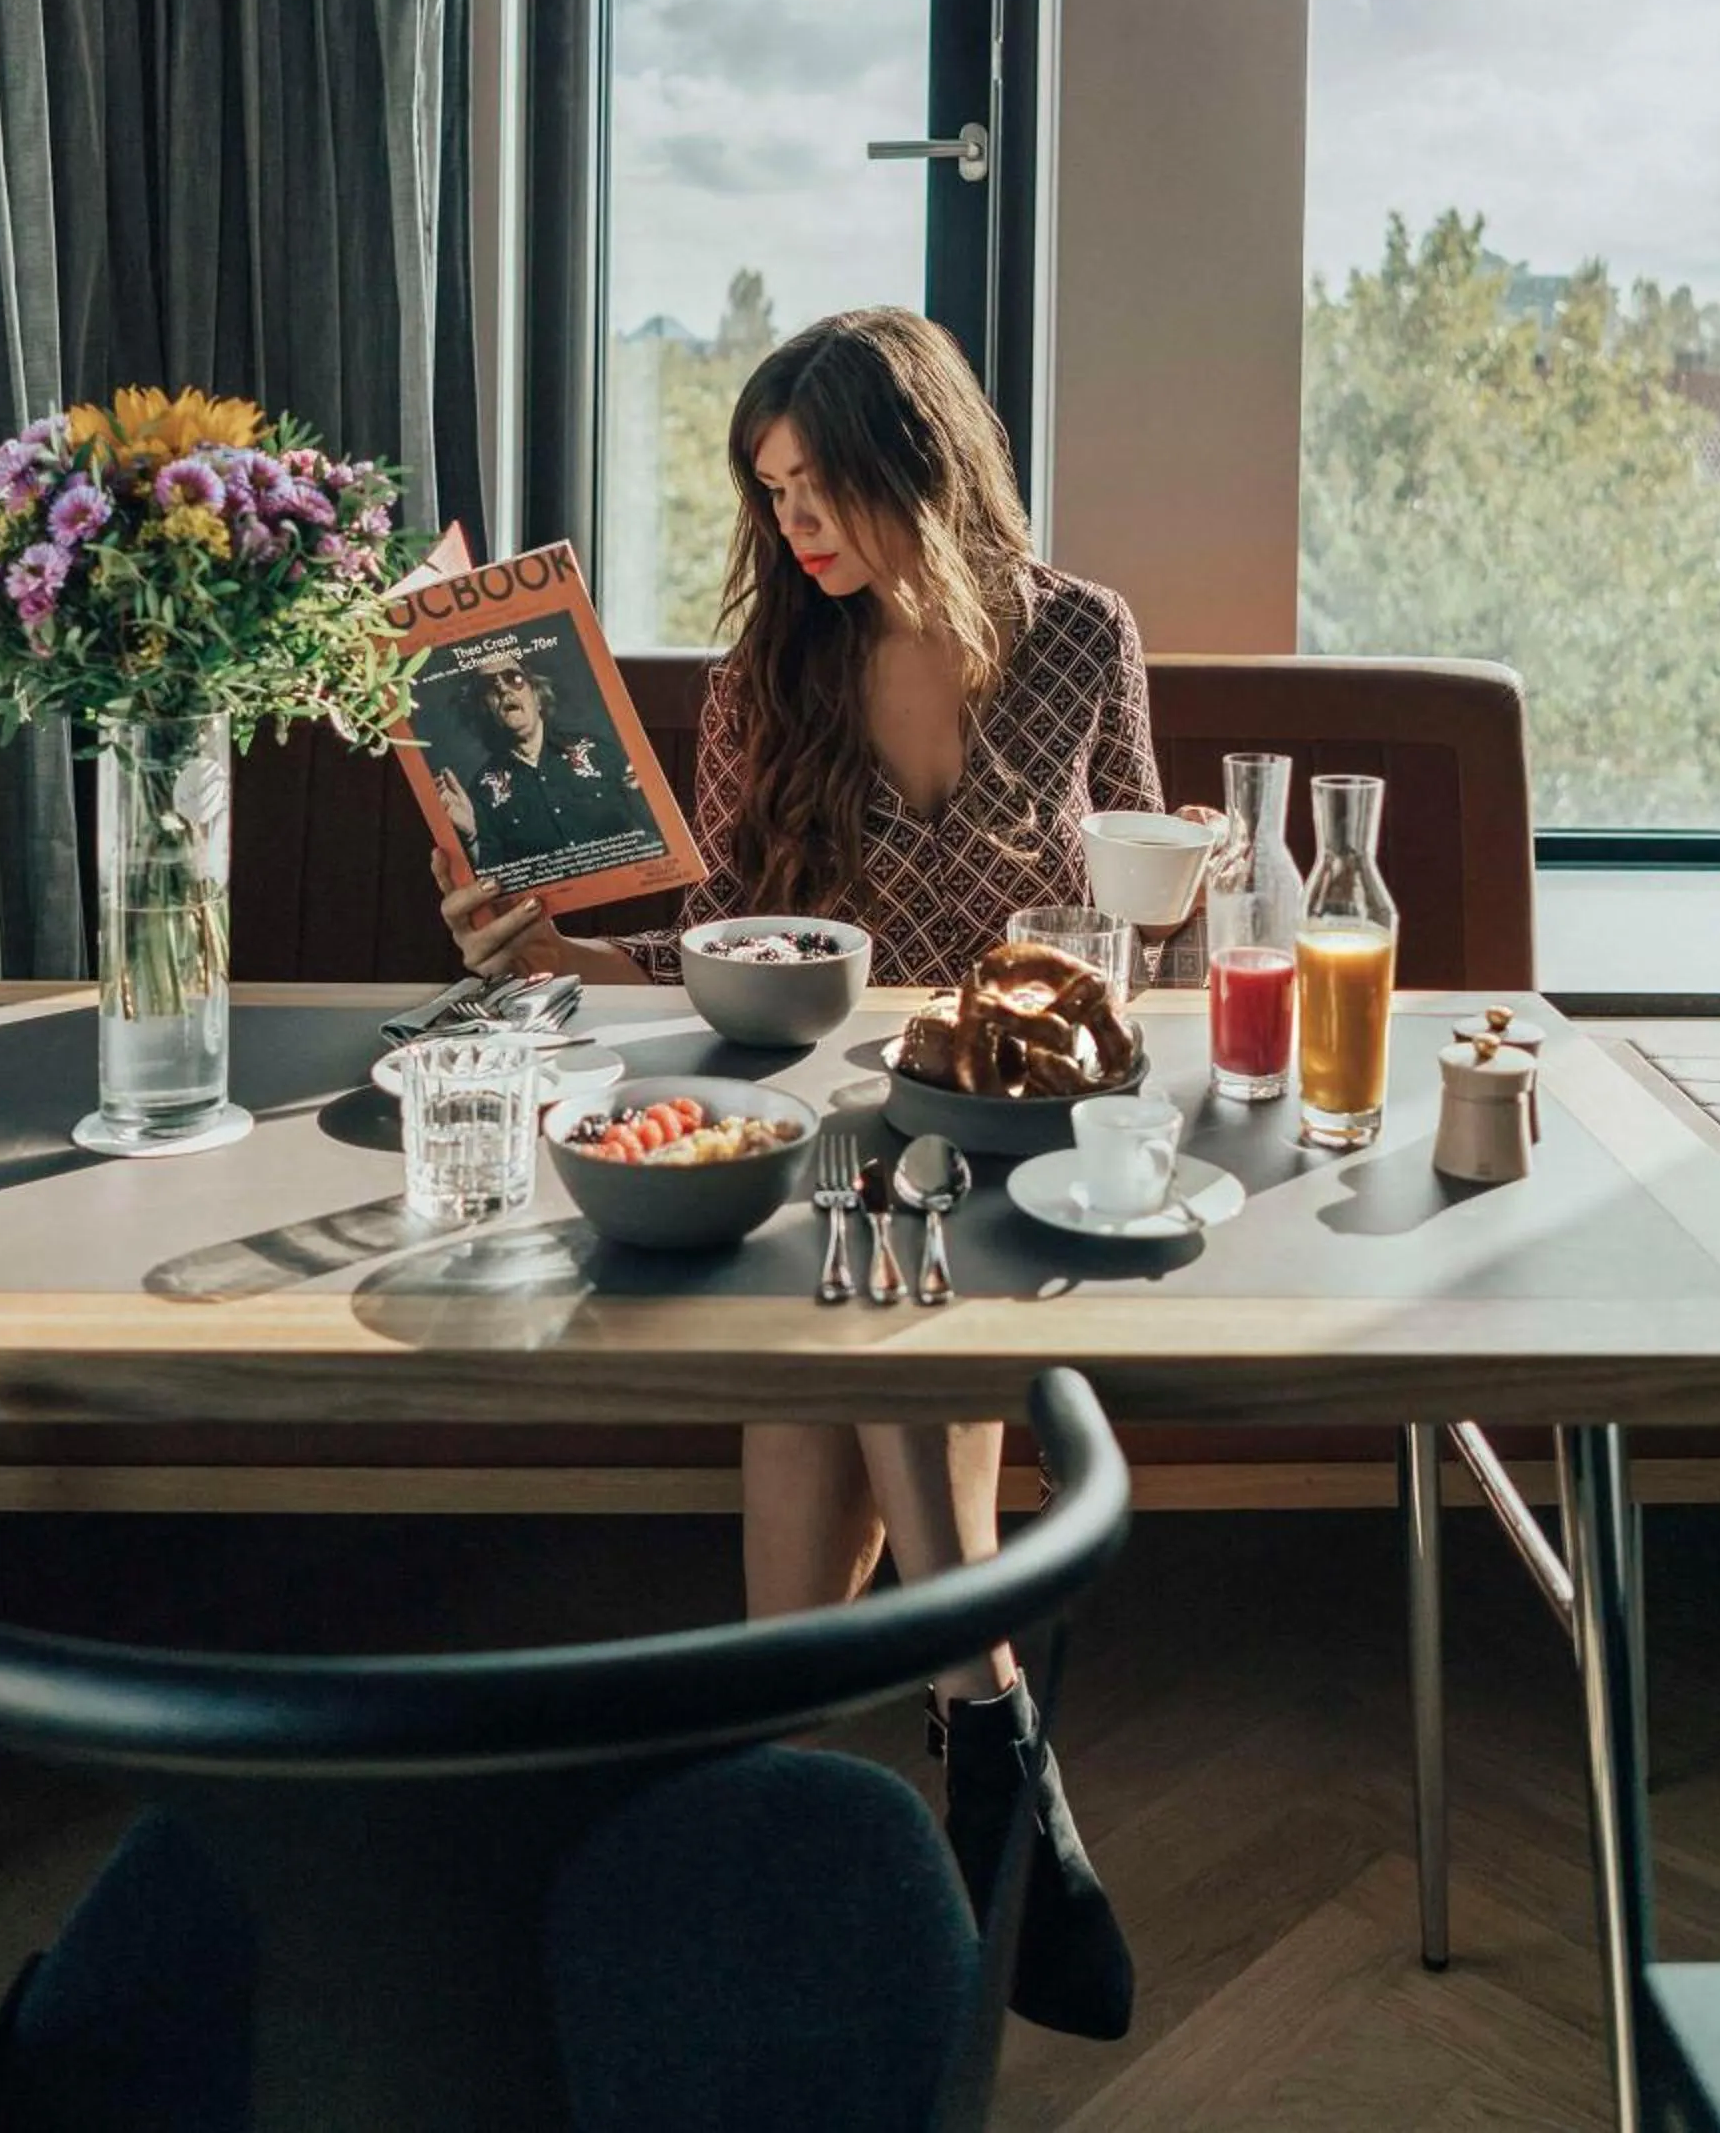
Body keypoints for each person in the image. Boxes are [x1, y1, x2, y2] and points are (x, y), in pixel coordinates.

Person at [434, 306, 1200, 2041]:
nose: (793, 525)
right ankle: (987, 1724)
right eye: (768, 491)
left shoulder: (1081, 634)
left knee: (839, 1298)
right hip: (816, 1135)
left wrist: (1157, 916)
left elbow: (1152, 907)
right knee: (847, 1270)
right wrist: (545, 938)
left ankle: (765, 1796)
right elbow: (727, 963)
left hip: (1019, 1130)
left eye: (817, 482)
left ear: (912, 461)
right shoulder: (767, 670)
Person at [436, 656, 650, 877]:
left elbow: (651, 831)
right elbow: (494, 880)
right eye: (489, 686)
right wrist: (470, 838)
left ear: (537, 696)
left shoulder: (597, 751)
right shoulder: (482, 791)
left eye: (514, 678)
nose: (502, 688)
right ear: (484, 709)